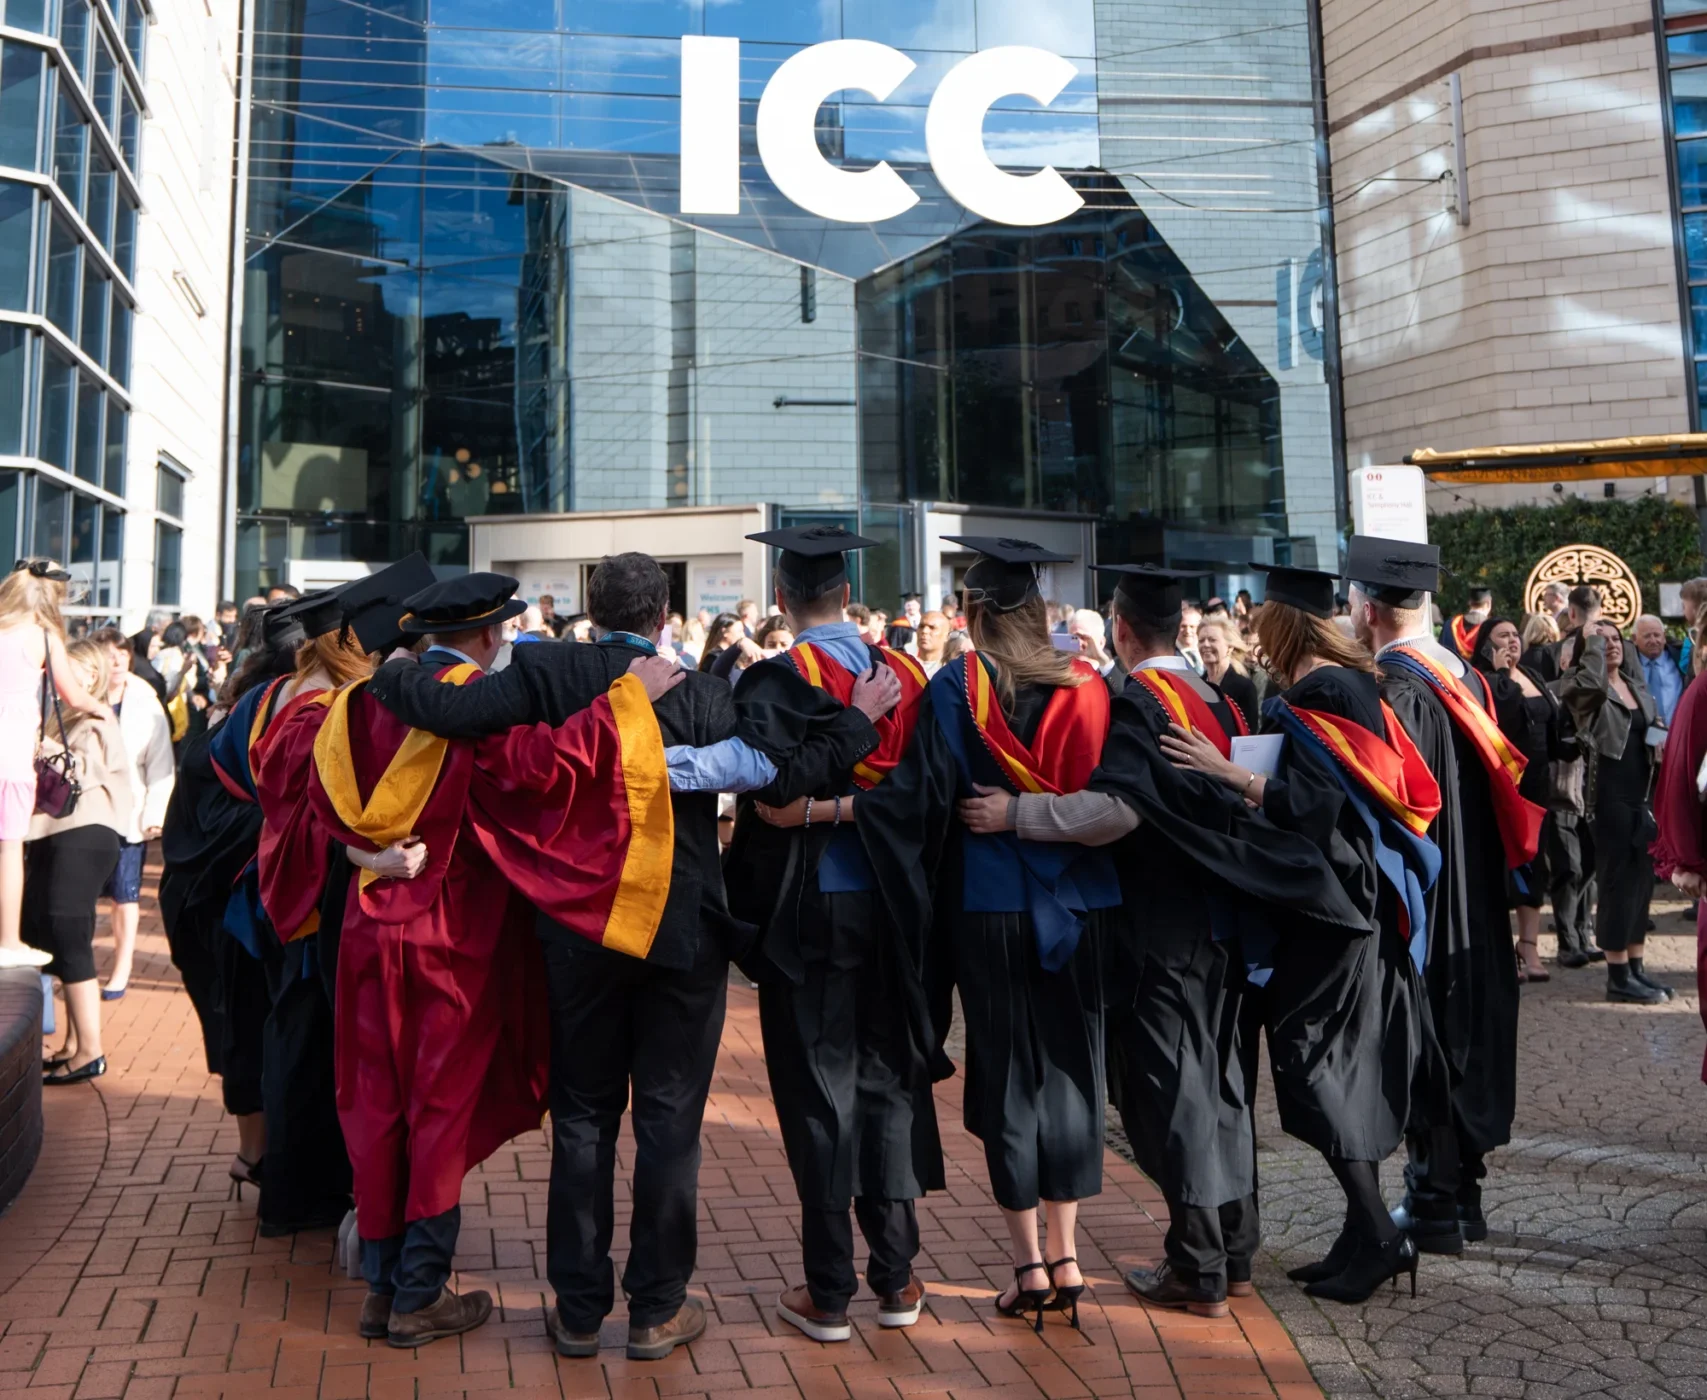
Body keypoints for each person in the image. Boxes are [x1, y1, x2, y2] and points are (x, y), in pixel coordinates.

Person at [363, 551, 887, 1360]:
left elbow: (446, 710)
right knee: (671, 1124)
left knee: (582, 1119)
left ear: (589, 606)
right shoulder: (708, 693)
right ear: (662, 616)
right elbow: (780, 779)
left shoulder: (542, 676)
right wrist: (860, 723)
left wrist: (389, 668)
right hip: (683, 932)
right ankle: (656, 1308)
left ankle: (576, 1311)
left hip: (577, 931)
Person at [262, 570, 686, 1349]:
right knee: (438, 1110)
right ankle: (418, 1292)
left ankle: (383, 1288)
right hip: (447, 937)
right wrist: (632, 701)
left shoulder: (353, 704)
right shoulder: (473, 717)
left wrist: (368, 853)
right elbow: (543, 767)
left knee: (375, 1104)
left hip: (364, 930)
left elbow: (309, 801)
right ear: (490, 636)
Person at [973, 566, 1364, 1318]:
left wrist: (1016, 814)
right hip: (1226, 923)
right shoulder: (1219, 694)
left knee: (1169, 1095)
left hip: (1160, 928)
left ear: (1120, 628)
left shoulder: (1138, 702)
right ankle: (1236, 1252)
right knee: (1221, 1088)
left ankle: (1198, 1266)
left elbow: (1114, 812)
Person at [854, 538, 1118, 1334]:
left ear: (970, 615)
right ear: (1041, 613)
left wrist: (834, 808)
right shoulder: (1090, 688)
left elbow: (917, 804)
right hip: (1081, 901)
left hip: (988, 903)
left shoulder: (954, 688)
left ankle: (1027, 1264)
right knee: (1072, 1070)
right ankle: (1070, 1258)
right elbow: (1113, 793)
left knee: (1006, 1075)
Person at [1164, 563, 1440, 1305]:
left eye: (1262, 624)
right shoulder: (1358, 686)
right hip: (1358, 910)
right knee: (1342, 1070)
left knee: (1313, 1066)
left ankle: (1381, 1237)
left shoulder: (1315, 695)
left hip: (1330, 916)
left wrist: (1231, 774)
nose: (1254, 634)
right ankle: (1358, 1236)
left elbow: (1316, 808)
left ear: (1286, 625)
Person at [723, 527, 940, 1347]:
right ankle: (896, 1277)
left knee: (818, 1090)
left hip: (808, 909)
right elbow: (932, 798)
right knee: (886, 1082)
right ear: (846, 596)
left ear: (782, 600)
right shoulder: (910, 677)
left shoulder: (774, 679)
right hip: (891, 907)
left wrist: (812, 810)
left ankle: (828, 1291)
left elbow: (770, 790)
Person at [1348, 539, 1540, 1260]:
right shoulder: (1467, 676)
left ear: (1368, 610)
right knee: (1476, 1022)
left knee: (1431, 1026)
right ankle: (1466, 1196)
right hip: (1481, 888)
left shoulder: (1394, 689)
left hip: (1429, 891)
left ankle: (1431, 1200)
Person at [158, 602, 303, 1189]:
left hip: (203, 892)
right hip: (229, 899)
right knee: (248, 1021)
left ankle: (257, 1150)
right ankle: (258, 1154)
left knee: (238, 1022)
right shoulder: (268, 714)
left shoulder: (229, 710)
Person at [0, 561, 112, 970]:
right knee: (9, 850)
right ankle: (8, 942)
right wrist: (104, 710)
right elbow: (74, 695)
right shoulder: (42, 637)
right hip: (10, 759)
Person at [30, 639, 132, 1083]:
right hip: (65, 836)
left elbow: (83, 771)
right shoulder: (65, 717)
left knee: (68, 932)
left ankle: (89, 1051)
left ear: (89, 676)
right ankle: (75, 1045)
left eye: (69, 668)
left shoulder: (96, 716)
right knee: (63, 934)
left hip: (84, 834)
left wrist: (37, 746)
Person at [1558, 621, 1667, 1004]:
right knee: (1617, 885)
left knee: (1642, 884)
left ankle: (1636, 968)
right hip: (1608, 799)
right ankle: (1617, 975)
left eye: (1616, 639)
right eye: (1602, 641)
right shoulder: (1584, 687)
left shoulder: (1637, 687)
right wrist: (1590, 647)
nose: (1612, 646)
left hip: (1642, 798)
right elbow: (1588, 690)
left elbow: (1652, 729)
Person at [1469, 617, 1569, 982]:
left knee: (1533, 864)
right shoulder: (1481, 680)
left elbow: (1553, 721)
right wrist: (1502, 674)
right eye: (1502, 636)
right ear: (1486, 644)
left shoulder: (1531, 674)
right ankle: (1501, 946)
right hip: (1501, 787)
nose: (1512, 641)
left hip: (1538, 787)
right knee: (1501, 864)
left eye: (1515, 635)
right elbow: (1504, 714)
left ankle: (1529, 944)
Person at [88, 626, 174, 998]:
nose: (117, 661)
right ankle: (78, 965)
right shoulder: (79, 695)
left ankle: (121, 967)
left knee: (125, 896)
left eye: (122, 654)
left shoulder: (145, 699)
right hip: (86, 811)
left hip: (129, 812)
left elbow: (160, 764)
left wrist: (155, 812)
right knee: (83, 896)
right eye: (108, 654)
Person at [1197, 615, 1259, 730]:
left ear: (1229, 648)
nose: (1205, 645)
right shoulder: (1194, 687)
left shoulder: (1244, 687)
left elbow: (1249, 734)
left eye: (1212, 640)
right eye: (1201, 640)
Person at [1632, 614, 1687, 727]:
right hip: (1642, 738)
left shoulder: (1681, 659)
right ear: (1634, 639)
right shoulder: (1627, 666)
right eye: (1647, 636)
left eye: (1657, 635)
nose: (1653, 641)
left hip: (1679, 733)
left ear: (1664, 637)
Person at [1440, 586, 1493, 659]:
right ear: (1489, 603)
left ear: (1469, 602)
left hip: (1451, 670)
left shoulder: (1450, 625)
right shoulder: (1493, 628)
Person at [915, 610, 950, 675]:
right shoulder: (905, 666)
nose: (924, 631)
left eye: (932, 627)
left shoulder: (952, 670)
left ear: (946, 636)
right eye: (921, 626)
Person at [1176, 602, 1204, 674]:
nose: (1188, 631)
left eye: (1192, 627)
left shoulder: (1206, 649)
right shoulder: (1170, 654)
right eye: (1183, 626)